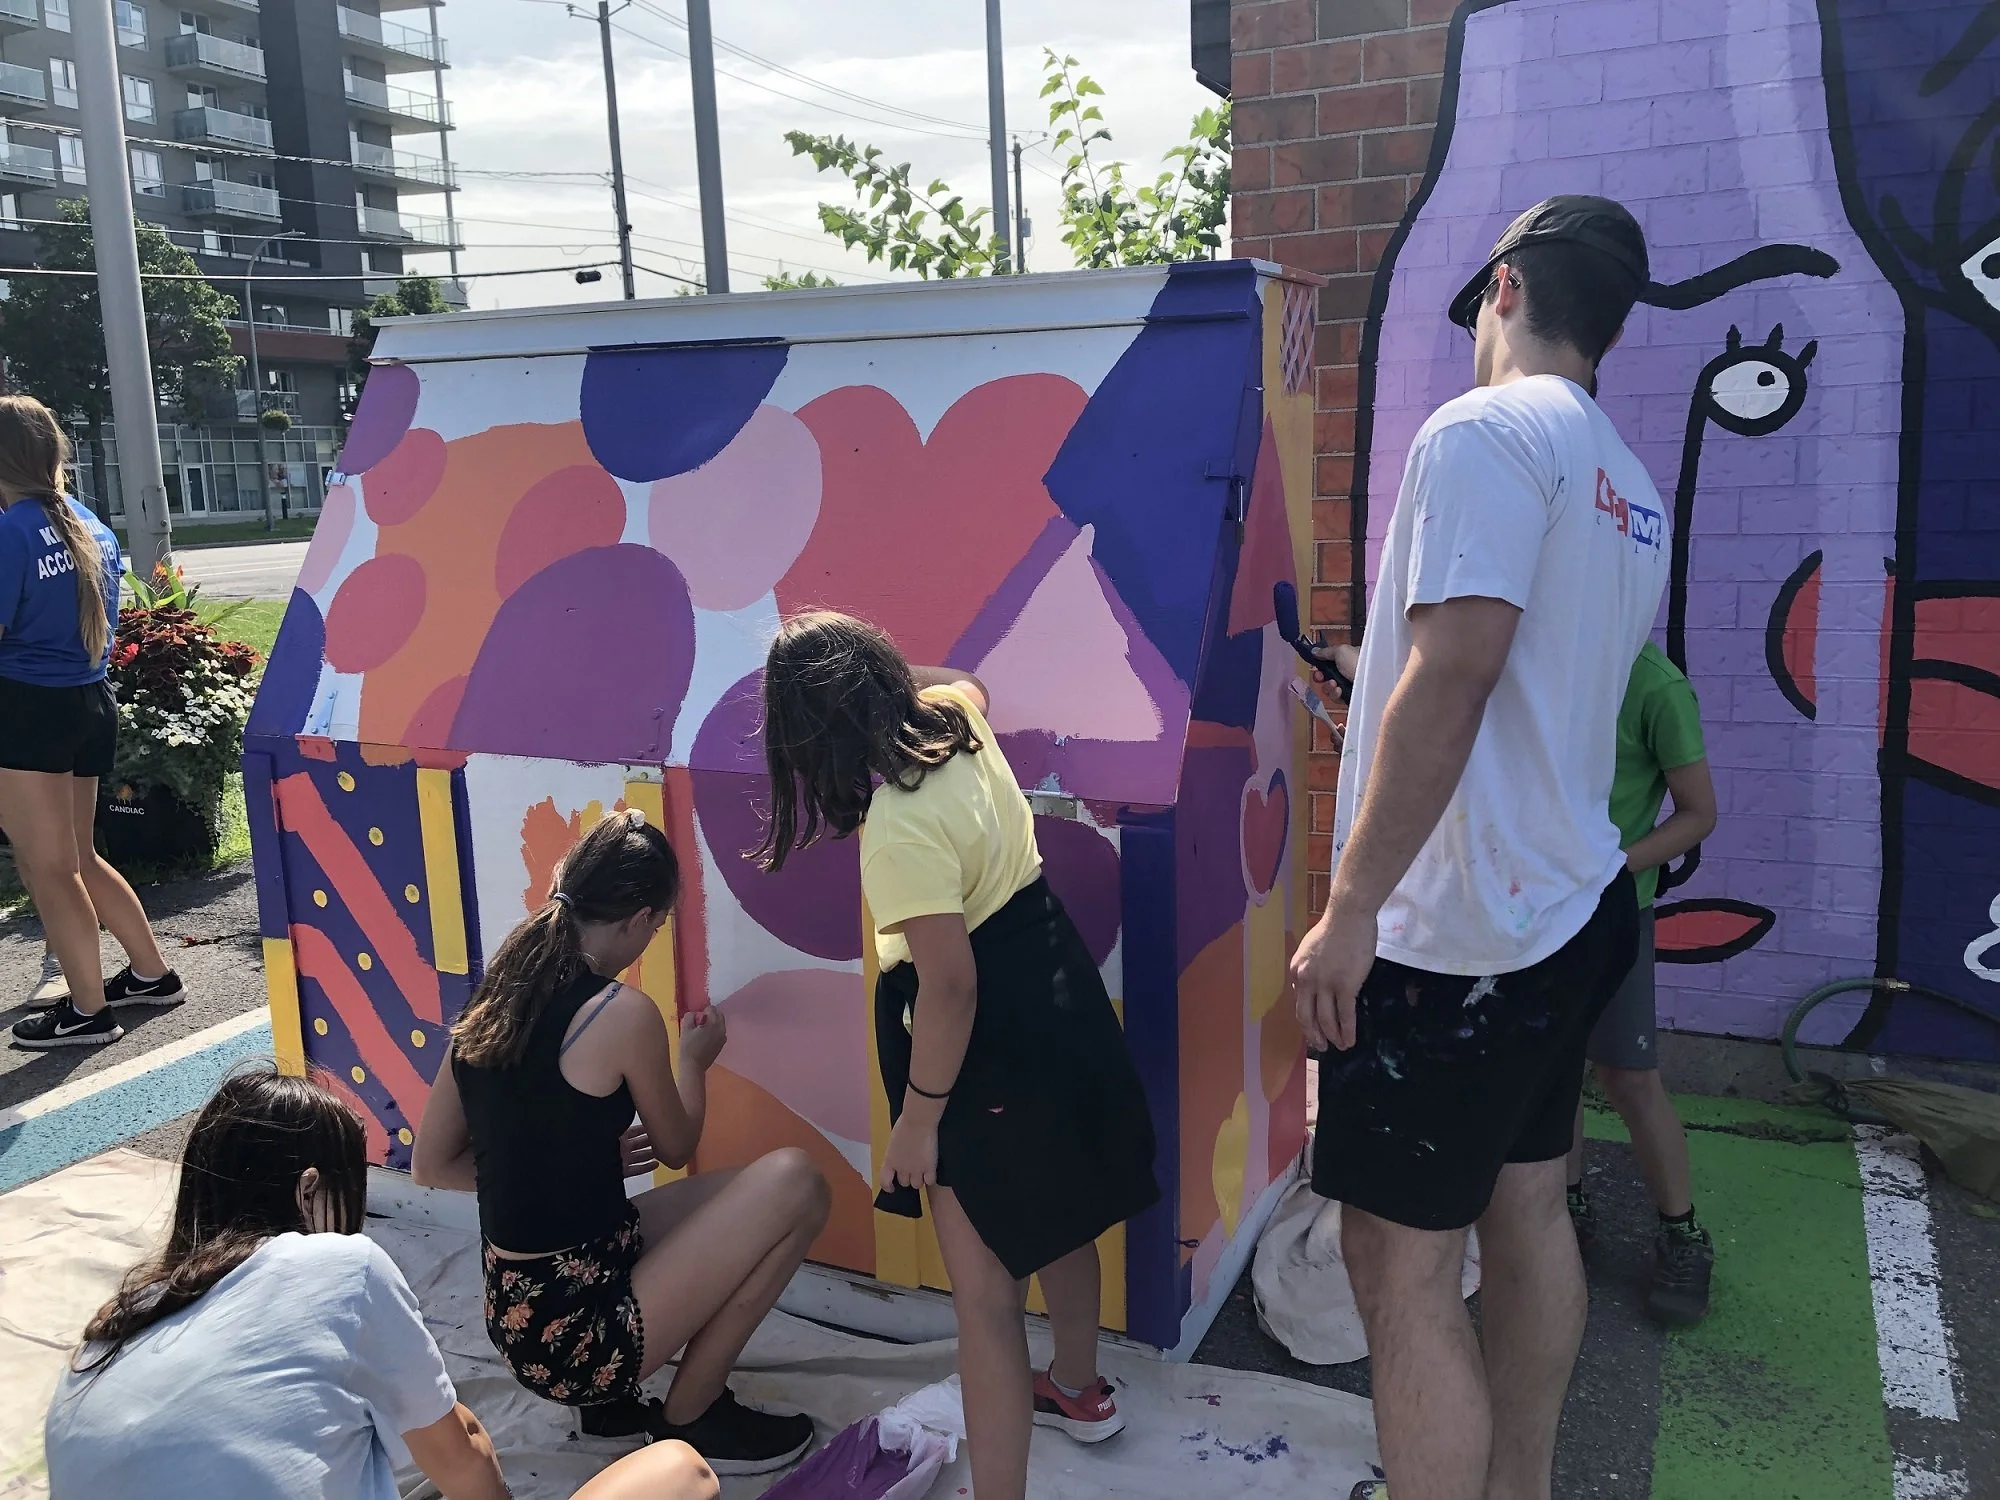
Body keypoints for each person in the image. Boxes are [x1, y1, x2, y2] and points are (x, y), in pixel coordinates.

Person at [1288, 196, 1670, 1500]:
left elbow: (1456, 677)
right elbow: (1516, 686)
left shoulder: (1485, 430)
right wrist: (1372, 671)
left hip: (1455, 939)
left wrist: (1350, 911)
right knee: (1526, 1208)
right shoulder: (1634, 487)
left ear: (1504, 288)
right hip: (1566, 910)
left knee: (1397, 1271)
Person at [758, 611, 1161, 1500]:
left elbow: (950, 987)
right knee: (1063, 1216)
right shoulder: (953, 715)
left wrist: (919, 1120)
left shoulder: (896, 828)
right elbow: (967, 675)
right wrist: (887, 681)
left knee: (984, 1304)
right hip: (1054, 980)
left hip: (981, 1047)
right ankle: (1081, 1388)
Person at [46, 1066, 719, 1500]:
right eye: (353, 1196)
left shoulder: (114, 1323)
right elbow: (465, 1460)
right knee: (680, 1472)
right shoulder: (340, 1270)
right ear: (309, 1190)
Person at [413, 809, 830, 1477]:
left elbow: (431, 1165)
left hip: (521, 1315)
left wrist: (568, 1162)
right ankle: (692, 1412)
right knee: (799, 1184)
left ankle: (609, 1408)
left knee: (751, 1193)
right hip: (581, 1339)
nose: (652, 938)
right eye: (657, 927)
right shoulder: (621, 1014)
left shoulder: (496, 997)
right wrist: (695, 1062)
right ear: (639, 920)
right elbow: (675, 1143)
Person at [0, 395, 185, 1048]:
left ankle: (85, 1011)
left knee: (48, 868)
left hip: (29, 710)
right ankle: (150, 975)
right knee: (79, 856)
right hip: (88, 703)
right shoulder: (87, 523)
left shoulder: (10, 531)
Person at [1566, 642, 1717, 1325]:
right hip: (1533, 911)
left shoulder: (1656, 686)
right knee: (1553, 1069)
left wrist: (1612, 868)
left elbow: (1697, 812)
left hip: (1613, 911)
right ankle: (1566, 1212)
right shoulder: (1534, 660)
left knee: (1628, 1076)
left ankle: (1681, 1231)